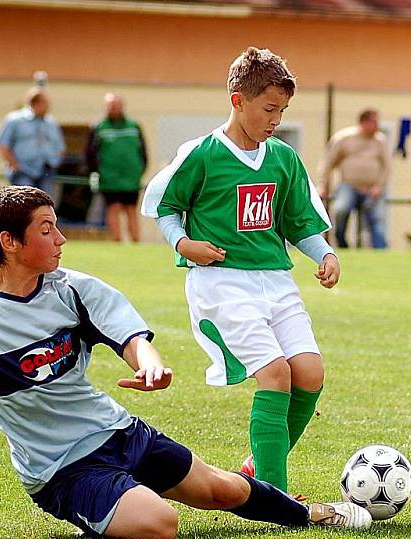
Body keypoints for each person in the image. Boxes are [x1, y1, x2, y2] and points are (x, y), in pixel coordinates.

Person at [0, 185, 370, 539]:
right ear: (10, 242)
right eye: (47, 229)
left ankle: (310, 516)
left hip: (120, 433)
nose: (61, 239)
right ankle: (111, 504)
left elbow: (129, 334)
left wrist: (149, 362)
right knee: (161, 524)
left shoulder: (72, 289)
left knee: (219, 489)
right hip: (61, 470)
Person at [141, 47, 338, 494]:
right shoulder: (202, 154)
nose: (276, 119)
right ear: (237, 100)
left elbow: (300, 220)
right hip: (222, 283)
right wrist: (184, 243)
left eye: (283, 111)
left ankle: (257, 465)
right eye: (269, 109)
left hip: (276, 280)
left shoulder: (283, 158)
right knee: (275, 375)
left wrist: (324, 253)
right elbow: (165, 207)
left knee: (309, 374)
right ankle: (273, 495)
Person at [317, 109, 390, 249]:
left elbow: (386, 167)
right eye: (374, 122)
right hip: (348, 186)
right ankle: (341, 243)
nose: (377, 126)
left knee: (376, 219)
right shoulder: (344, 138)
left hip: (372, 189)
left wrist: (379, 186)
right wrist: (323, 185)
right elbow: (328, 163)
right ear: (364, 122)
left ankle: (380, 249)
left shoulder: (380, 140)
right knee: (341, 210)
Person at [85, 92, 148, 242]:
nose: (113, 108)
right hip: (109, 177)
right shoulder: (99, 127)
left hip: (131, 177)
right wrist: (95, 171)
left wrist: (140, 169)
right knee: (113, 208)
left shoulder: (134, 126)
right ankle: (117, 241)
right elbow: (90, 152)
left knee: (131, 209)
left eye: (116, 105)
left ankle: (135, 241)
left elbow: (143, 151)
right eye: (110, 105)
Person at [0, 87, 65, 197]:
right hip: (23, 171)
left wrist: (55, 162)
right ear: (35, 103)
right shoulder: (14, 120)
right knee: (26, 204)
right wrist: (15, 165)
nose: (48, 107)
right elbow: (2, 144)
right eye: (45, 103)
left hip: (46, 172)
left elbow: (61, 148)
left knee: (45, 204)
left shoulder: (51, 123)